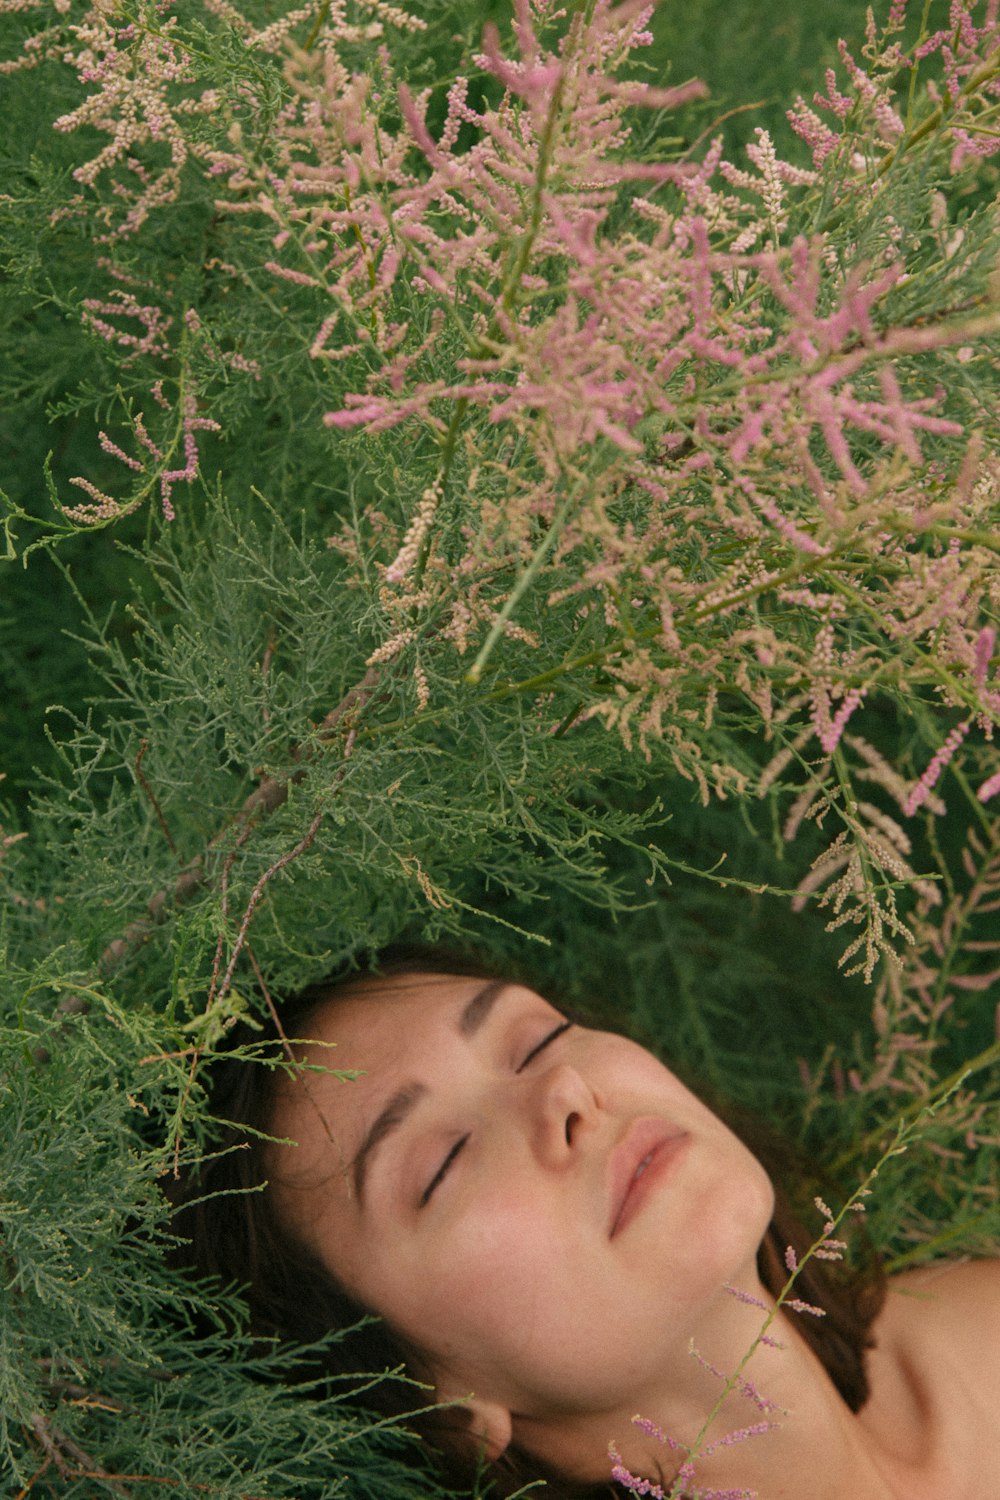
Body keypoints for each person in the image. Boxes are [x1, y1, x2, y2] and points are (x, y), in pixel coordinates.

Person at [178, 954, 1000, 1499]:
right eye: (445, 1161)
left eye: (538, 1040)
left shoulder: (975, 1339)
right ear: (440, 1409)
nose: (564, 1091)